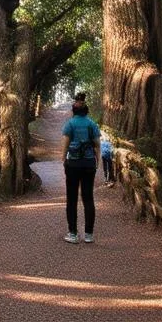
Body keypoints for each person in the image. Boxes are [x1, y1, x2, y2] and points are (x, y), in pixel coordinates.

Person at [62, 100, 99, 244]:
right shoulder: (92, 124)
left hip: (73, 164)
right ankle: (88, 235)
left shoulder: (70, 124)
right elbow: (97, 145)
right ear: (87, 111)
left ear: (74, 111)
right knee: (88, 198)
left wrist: (63, 158)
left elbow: (65, 143)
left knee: (72, 199)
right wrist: (98, 161)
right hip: (89, 164)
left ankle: (73, 234)